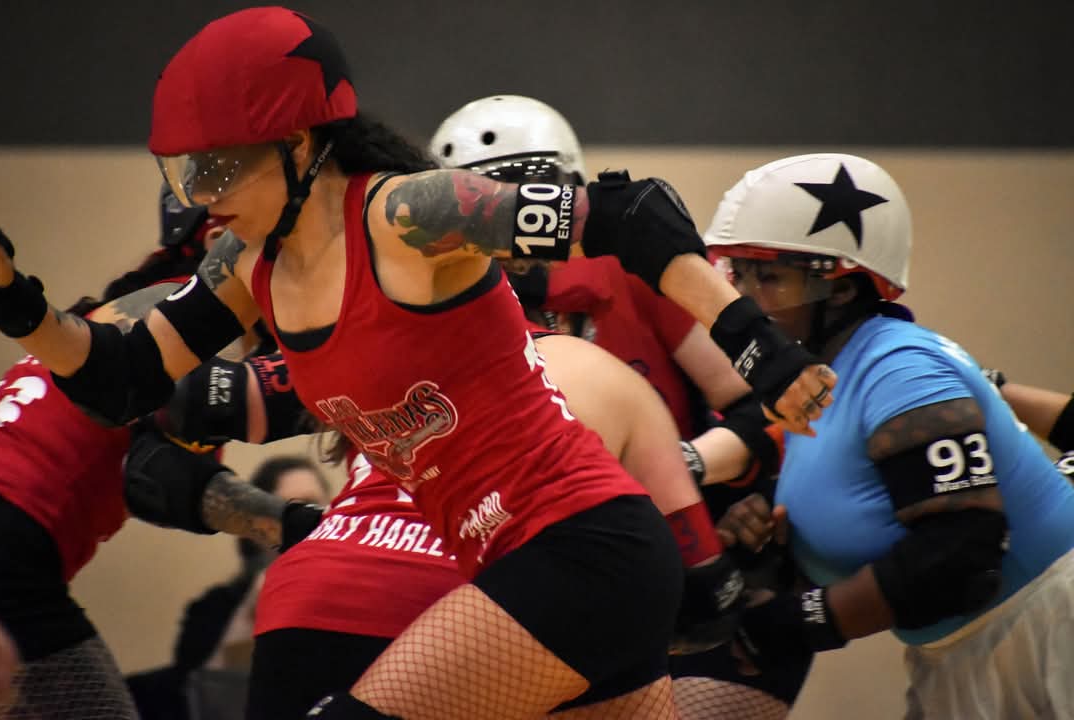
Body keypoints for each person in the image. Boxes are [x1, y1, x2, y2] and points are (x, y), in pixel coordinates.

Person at [0, 8, 835, 717]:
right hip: (535, 566)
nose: (200, 196)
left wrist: (763, 352)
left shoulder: (408, 216)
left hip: (581, 551)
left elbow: (632, 214)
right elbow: (119, 380)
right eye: (186, 173)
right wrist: (16, 301)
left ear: (296, 143)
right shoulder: (249, 269)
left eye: (216, 167)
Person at [124, 326, 772, 720]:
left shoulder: (384, 355)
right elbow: (699, 596)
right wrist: (753, 560)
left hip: (313, 590)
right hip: (474, 601)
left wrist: (292, 522)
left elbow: (178, 418)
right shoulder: (604, 371)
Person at [697, 152, 1074, 718]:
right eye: (738, 274)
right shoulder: (819, 378)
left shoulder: (899, 367)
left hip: (1048, 637)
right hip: (971, 650)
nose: (747, 302)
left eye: (769, 277)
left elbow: (962, 554)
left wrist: (803, 624)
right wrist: (778, 550)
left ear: (842, 289)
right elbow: (889, 523)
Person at [0, 192, 229, 719]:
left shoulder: (128, 313)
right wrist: (297, 527)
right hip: (11, 544)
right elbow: (159, 482)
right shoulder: (186, 317)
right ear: (217, 239)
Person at [428, 94, 751, 438]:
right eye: (485, 212)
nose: (512, 230)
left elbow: (748, 404)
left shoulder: (630, 265)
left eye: (529, 204)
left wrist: (684, 460)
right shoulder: (444, 305)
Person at [126, 456, 330, 720]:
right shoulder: (214, 608)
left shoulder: (349, 596)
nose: (302, 522)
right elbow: (199, 693)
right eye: (288, 511)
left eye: (313, 507)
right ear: (255, 530)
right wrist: (249, 613)